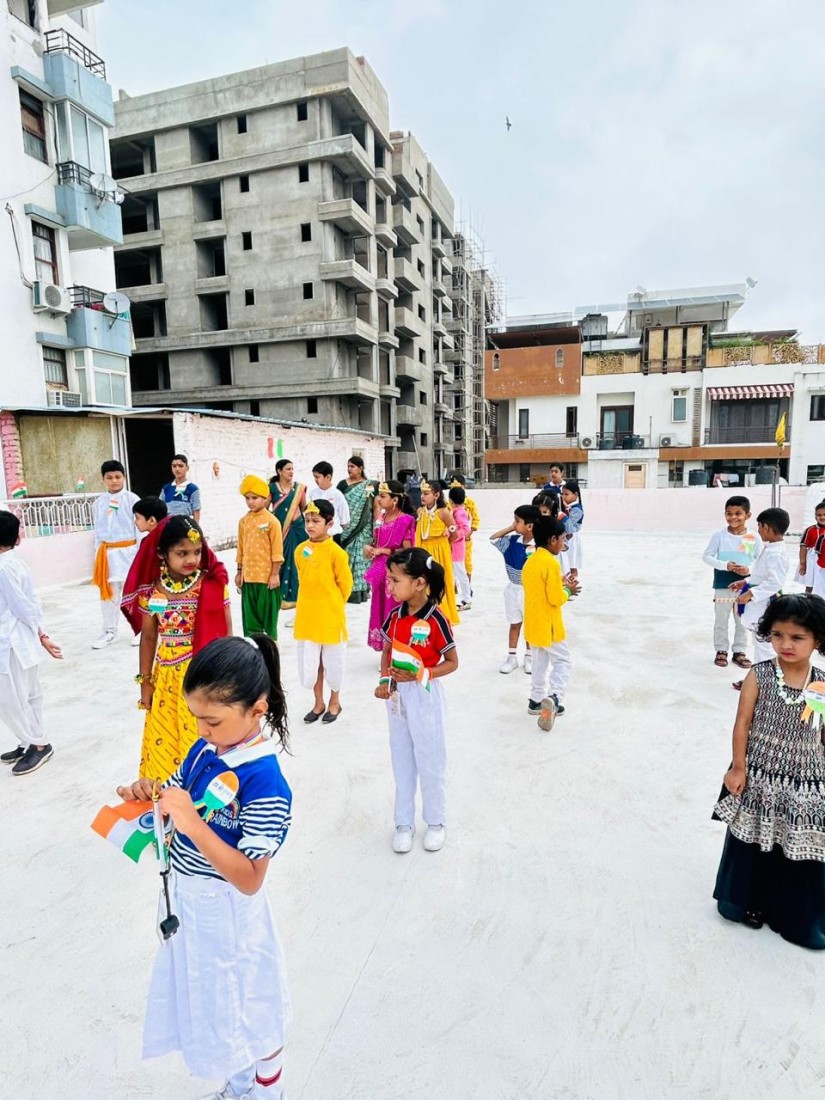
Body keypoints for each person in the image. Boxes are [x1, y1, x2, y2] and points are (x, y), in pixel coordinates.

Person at [117, 635, 292, 1098]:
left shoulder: (264, 781)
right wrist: (151, 793)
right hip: (191, 903)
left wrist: (193, 825)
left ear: (257, 709)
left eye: (211, 720)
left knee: (252, 1004)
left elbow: (250, 878)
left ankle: (267, 1091)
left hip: (230, 912)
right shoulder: (205, 749)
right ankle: (238, 1083)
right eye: (196, 717)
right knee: (220, 1005)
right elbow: (176, 792)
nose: (201, 729)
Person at [713, 594, 825, 949]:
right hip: (760, 774)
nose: (786, 644)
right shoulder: (759, 674)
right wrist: (738, 767)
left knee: (795, 843)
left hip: (804, 779)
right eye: (778, 635)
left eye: (797, 637)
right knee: (755, 839)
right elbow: (742, 723)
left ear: (818, 640)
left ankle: (789, 913)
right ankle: (750, 902)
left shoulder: (822, 684)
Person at [121, 517, 231, 781]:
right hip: (167, 682)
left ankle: (202, 793)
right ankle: (169, 795)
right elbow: (149, 638)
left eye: (197, 552)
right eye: (182, 553)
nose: (191, 559)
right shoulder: (152, 593)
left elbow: (227, 634)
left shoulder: (211, 585)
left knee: (201, 738)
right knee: (166, 740)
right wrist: (145, 682)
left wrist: (228, 677)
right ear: (162, 554)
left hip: (203, 677)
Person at [375, 548, 458, 854]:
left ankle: (435, 822)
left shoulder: (436, 619)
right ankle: (403, 823)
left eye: (395, 580)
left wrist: (422, 674)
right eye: (389, 579)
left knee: (430, 758)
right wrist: (385, 681)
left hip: (425, 694)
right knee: (401, 757)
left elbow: (452, 662)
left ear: (420, 583)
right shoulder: (394, 616)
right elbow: (386, 651)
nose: (389, 586)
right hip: (397, 697)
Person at [0, 510, 62, 775]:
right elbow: (30, 603)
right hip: (20, 641)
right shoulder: (14, 561)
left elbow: (23, 607)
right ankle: (29, 742)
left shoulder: (4, 567)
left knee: (11, 700)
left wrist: (41, 635)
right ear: (17, 538)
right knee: (28, 696)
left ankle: (40, 744)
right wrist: (40, 634)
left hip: (12, 643)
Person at [293, 499, 353, 724]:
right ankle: (318, 703)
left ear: (329, 524)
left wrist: (333, 604)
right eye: (307, 520)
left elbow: (345, 586)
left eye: (316, 521)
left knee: (333, 661)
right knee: (312, 662)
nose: (310, 525)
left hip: (330, 615)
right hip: (307, 615)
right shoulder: (301, 550)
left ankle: (335, 701)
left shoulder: (337, 553)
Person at [522, 516, 580, 729]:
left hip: (533, 623)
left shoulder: (531, 561)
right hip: (550, 625)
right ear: (552, 539)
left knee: (540, 662)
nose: (563, 543)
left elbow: (539, 588)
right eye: (562, 539)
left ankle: (536, 700)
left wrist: (559, 582)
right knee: (563, 661)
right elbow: (555, 598)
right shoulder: (551, 563)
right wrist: (568, 590)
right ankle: (554, 697)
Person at [730, 508, 790, 685]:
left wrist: (750, 593)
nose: (758, 530)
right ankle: (757, 679)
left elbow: (775, 582)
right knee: (759, 643)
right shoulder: (771, 548)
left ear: (766, 527)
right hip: (759, 603)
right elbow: (761, 576)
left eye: (759, 526)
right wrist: (746, 582)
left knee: (765, 645)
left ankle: (763, 683)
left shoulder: (776, 553)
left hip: (765, 604)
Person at [702, 495, 762, 670]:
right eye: (729, 513)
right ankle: (721, 650)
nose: (733, 517)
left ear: (747, 515)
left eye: (738, 513)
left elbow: (760, 560)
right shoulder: (719, 536)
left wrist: (748, 570)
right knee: (721, 619)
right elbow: (707, 556)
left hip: (745, 586)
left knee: (742, 619)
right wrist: (725, 565)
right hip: (722, 584)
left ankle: (739, 651)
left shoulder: (752, 537)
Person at [91, 460, 139, 650]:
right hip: (107, 555)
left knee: (132, 593)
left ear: (124, 477)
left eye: (118, 477)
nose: (114, 481)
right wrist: (97, 555)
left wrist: (139, 554)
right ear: (103, 479)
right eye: (109, 477)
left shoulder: (132, 500)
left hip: (128, 553)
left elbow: (139, 529)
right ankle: (109, 631)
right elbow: (97, 531)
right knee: (108, 595)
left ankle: (140, 629)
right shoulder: (99, 503)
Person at [365, 480, 416, 651]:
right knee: (380, 608)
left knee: (394, 608)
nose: (378, 499)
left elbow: (408, 551)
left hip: (396, 572)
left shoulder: (406, 520)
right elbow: (376, 541)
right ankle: (385, 649)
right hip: (379, 571)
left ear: (395, 499)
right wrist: (369, 548)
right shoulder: (381, 518)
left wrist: (384, 551)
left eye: (383, 496)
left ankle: (398, 648)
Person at [490, 505, 540, 675]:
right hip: (513, 589)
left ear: (530, 526)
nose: (514, 523)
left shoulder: (539, 546)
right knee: (514, 623)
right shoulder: (511, 541)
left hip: (531, 590)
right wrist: (511, 528)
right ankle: (512, 657)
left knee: (530, 625)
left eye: (517, 521)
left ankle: (529, 657)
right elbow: (493, 539)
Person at [236, 476, 284, 641]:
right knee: (251, 624)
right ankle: (252, 651)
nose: (250, 502)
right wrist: (239, 572)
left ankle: (271, 651)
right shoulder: (243, 521)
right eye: (247, 498)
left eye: (254, 498)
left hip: (266, 579)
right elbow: (241, 549)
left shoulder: (272, 521)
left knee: (269, 623)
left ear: (266, 498)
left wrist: (274, 575)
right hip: (248, 579)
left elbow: (277, 552)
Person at [415, 481, 460, 626]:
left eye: (426, 493)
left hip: (440, 549)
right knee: (424, 581)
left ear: (436, 495)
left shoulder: (443, 512)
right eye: (422, 493)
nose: (422, 496)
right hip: (424, 549)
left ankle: (443, 614)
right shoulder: (420, 511)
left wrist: (445, 545)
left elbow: (454, 532)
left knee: (440, 581)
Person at [336, 455, 379, 604]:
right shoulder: (342, 485)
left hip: (364, 527)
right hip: (347, 527)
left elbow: (375, 506)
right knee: (347, 557)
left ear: (360, 468)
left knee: (362, 557)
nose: (349, 469)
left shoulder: (370, 485)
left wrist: (376, 526)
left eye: (352, 466)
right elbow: (338, 505)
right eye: (348, 466)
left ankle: (361, 592)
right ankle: (347, 590)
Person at [269, 459, 307, 610]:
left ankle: (297, 596)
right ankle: (282, 596)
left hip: (297, 530)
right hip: (280, 530)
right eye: (288, 469)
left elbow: (304, 508)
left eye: (292, 469)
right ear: (279, 471)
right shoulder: (272, 488)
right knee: (281, 559)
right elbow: (265, 509)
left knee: (298, 560)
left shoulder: (299, 489)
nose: (291, 471)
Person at [449, 474, 480, 588]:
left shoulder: (469, 502)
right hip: (451, 540)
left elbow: (476, 519)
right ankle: (453, 587)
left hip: (466, 539)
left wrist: (468, 533)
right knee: (451, 563)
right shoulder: (448, 503)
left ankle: (468, 587)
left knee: (466, 563)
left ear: (464, 486)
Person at [307, 461, 350, 541]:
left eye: (317, 477)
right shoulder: (312, 494)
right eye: (314, 477)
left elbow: (345, 521)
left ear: (328, 477)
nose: (315, 480)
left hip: (333, 536)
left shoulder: (337, 495)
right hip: (316, 537)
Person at [448, 485, 472, 610]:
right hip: (453, 547)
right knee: (454, 574)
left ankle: (467, 599)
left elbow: (465, 529)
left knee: (460, 573)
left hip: (456, 548)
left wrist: (453, 537)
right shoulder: (456, 511)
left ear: (451, 500)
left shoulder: (459, 513)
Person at [160, 454, 201, 522]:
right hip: (169, 525)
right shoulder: (166, 489)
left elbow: (196, 512)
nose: (177, 469)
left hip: (185, 525)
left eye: (180, 466)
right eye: (174, 466)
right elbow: (160, 510)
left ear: (187, 468)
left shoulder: (193, 489)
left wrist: (195, 527)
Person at [798, 500, 825, 597]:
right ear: (815, 516)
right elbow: (803, 547)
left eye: (824, 514)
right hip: (813, 561)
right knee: (811, 583)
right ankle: (808, 601)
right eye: (819, 515)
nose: (822, 517)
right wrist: (803, 563)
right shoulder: (810, 530)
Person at [560, 480, 584, 584]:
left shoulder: (577, 509)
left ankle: (573, 583)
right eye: (562, 494)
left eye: (566, 494)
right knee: (567, 562)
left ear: (575, 495)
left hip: (572, 538)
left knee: (572, 564)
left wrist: (562, 516)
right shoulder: (568, 507)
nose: (564, 497)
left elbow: (570, 527)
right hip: (567, 537)